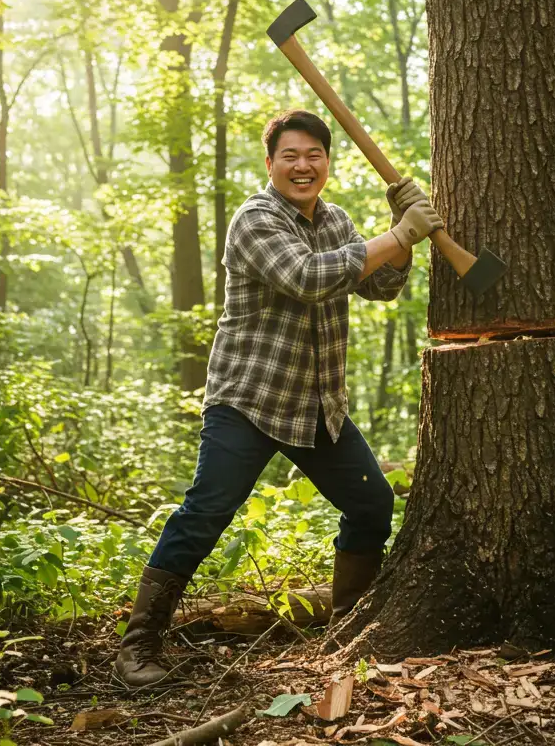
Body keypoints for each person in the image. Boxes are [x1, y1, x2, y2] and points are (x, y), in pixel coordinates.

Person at [115, 109, 443, 686]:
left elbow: (383, 287)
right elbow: (309, 279)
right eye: (290, 156)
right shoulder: (255, 219)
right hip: (248, 401)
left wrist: (403, 237)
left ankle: (347, 630)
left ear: (327, 163)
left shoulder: (337, 221)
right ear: (270, 165)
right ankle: (138, 646)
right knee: (206, 513)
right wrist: (399, 235)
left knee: (371, 505)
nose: (302, 165)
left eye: (314, 155)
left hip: (316, 403)